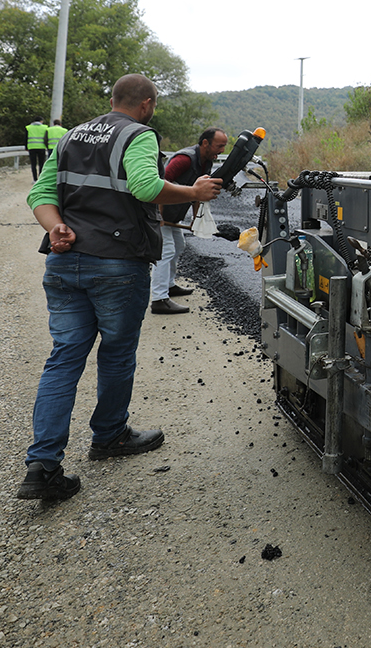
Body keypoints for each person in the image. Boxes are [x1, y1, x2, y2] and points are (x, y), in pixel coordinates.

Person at [17, 74, 222, 501]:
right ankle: (109, 436)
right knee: (116, 352)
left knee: (64, 356)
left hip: (64, 262)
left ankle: (43, 465)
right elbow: (146, 187)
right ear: (146, 104)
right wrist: (194, 191)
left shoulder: (72, 135)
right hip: (116, 264)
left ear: (112, 99)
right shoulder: (139, 134)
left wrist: (57, 228)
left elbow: (40, 191)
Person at [150, 127, 228, 315]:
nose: (222, 151)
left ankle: (169, 285)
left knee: (178, 245)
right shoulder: (184, 159)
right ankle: (159, 299)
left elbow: (197, 194)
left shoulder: (206, 162)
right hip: (159, 214)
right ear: (205, 143)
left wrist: (195, 219)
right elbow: (159, 184)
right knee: (166, 251)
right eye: (219, 146)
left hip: (173, 215)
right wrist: (158, 215)